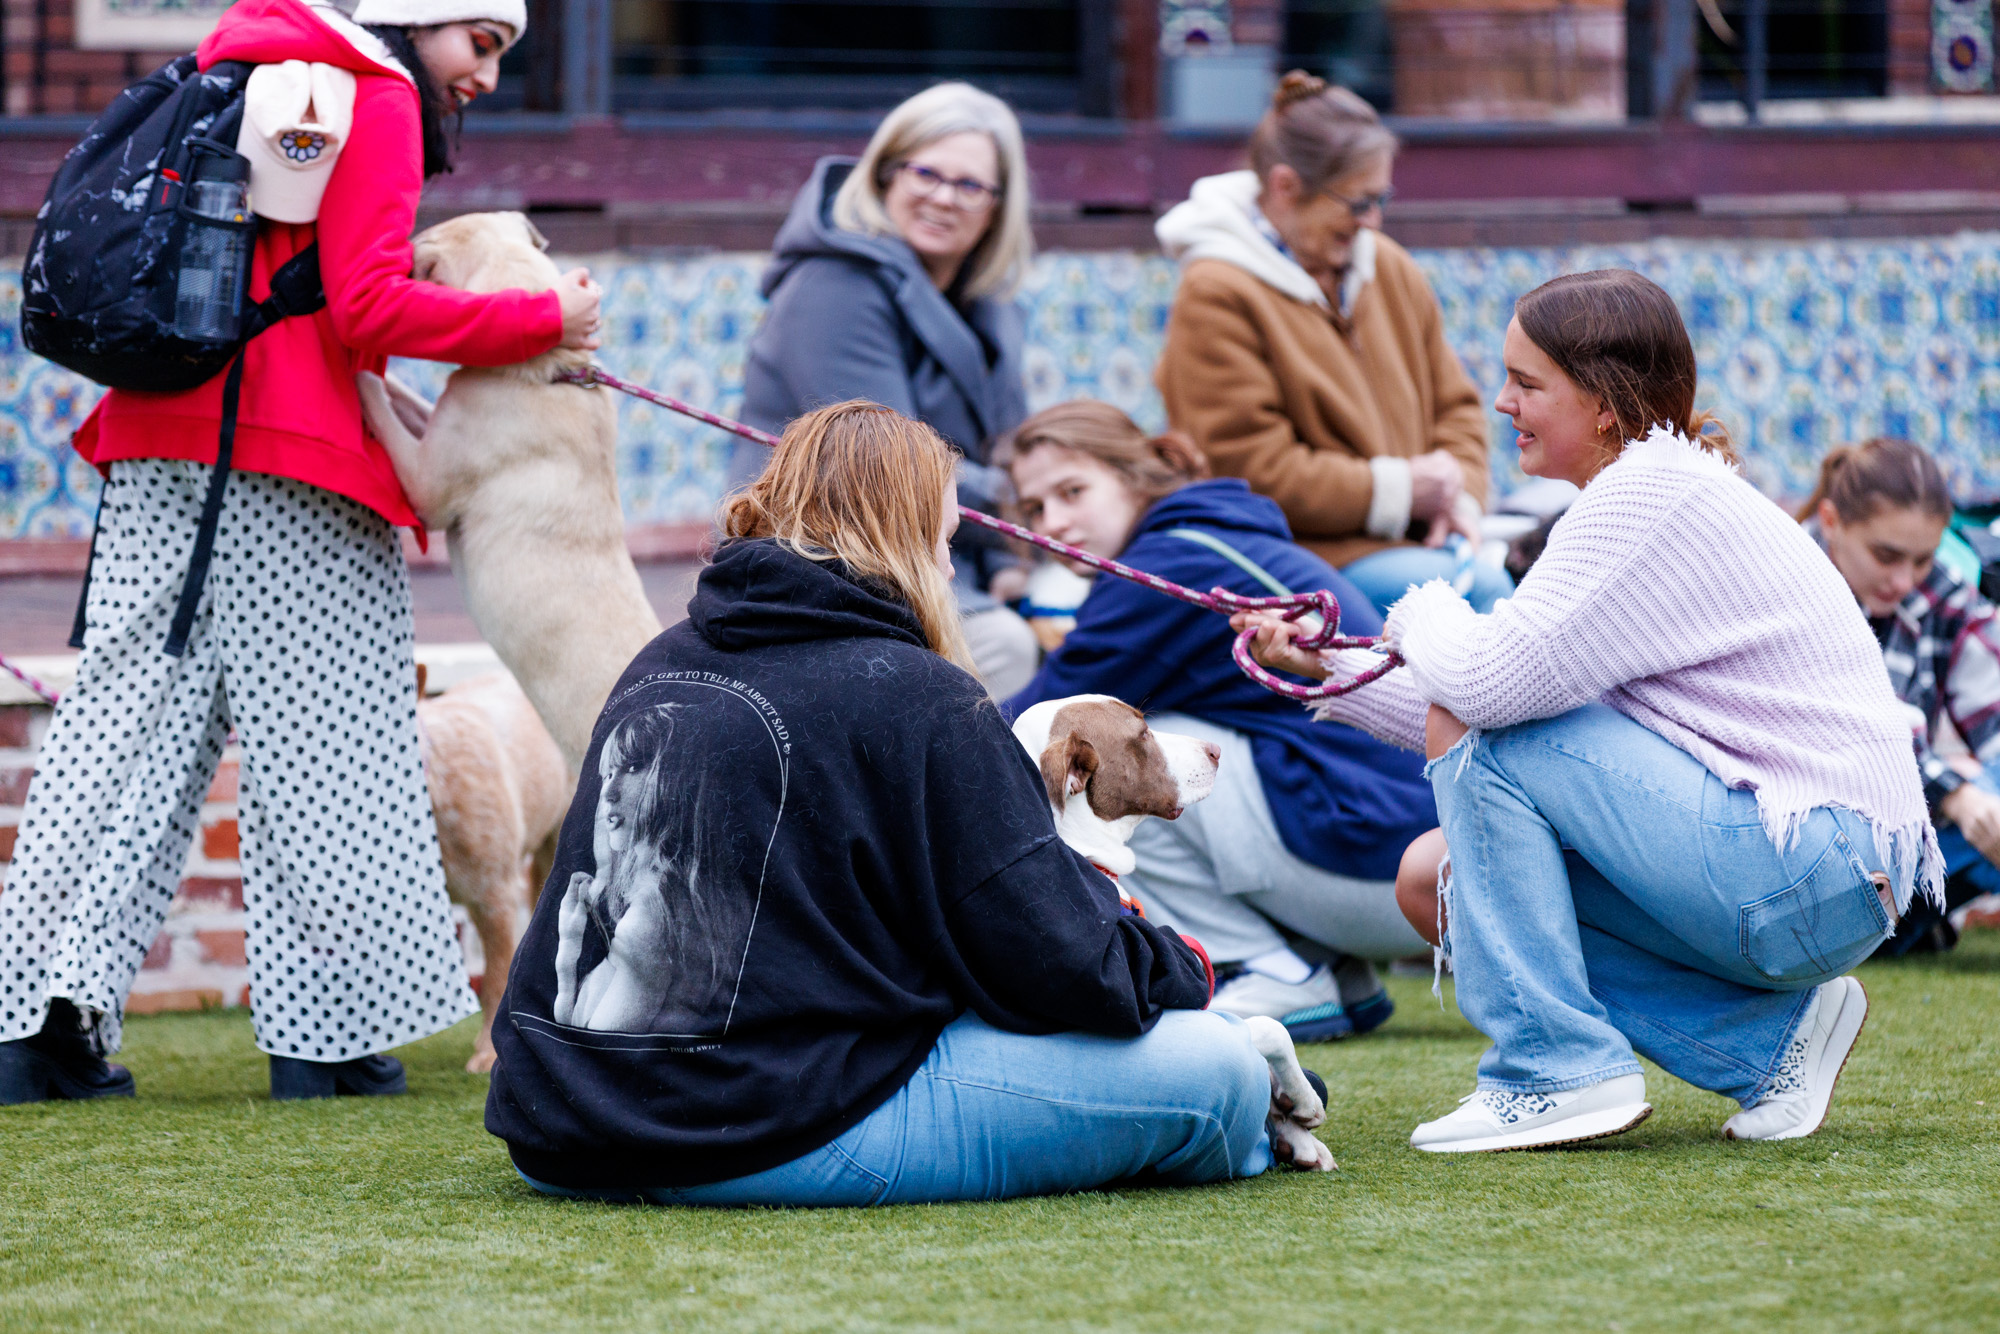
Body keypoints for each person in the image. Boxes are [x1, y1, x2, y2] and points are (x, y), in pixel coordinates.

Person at [0, 0, 603, 1105]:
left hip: (155, 435)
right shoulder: (370, 92)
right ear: (419, 22)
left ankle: (34, 1027)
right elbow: (366, 305)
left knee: (121, 735)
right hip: (288, 459)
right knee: (331, 742)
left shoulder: (232, 65)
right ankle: (327, 1042)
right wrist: (536, 322)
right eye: (481, 40)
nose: (487, 73)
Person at [487, 401, 1288, 1206]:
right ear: (900, 541)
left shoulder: (660, 658)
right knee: (1219, 1069)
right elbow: (1068, 968)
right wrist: (1180, 963)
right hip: (752, 1133)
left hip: (559, 1134)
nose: (947, 571)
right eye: (942, 542)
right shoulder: (924, 697)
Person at [1237, 269, 1933, 1151]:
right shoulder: (1649, 490)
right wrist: (1323, 663)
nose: (1500, 402)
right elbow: (1481, 700)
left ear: (1605, 403)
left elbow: (1484, 696)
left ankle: (1555, 1071)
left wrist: (1420, 614)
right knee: (1434, 883)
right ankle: (1774, 1042)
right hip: (1819, 874)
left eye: (1526, 383)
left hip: (1811, 863)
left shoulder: (1643, 496)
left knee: (1486, 734)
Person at [996, 401, 1434, 1040]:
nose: (1055, 522)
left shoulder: (1164, 566)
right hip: (1405, 853)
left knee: (1127, 764)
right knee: (1159, 743)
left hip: (1394, 870)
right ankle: (1334, 976)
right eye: (1036, 510)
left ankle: (1265, 969)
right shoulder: (1199, 540)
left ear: (1136, 475)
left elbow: (1029, 732)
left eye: (1073, 491)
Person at [1153, 71, 1511, 618]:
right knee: (1483, 596)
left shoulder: (1388, 264)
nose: (1373, 219)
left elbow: (1457, 407)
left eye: (1381, 198)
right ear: (1285, 186)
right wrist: (1401, 491)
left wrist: (1456, 501)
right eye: (1358, 202)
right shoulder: (1215, 291)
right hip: (1303, 560)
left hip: (1423, 544)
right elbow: (1248, 469)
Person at [741, 82, 1040, 697]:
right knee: (1007, 650)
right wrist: (1043, 503)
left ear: (997, 206)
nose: (942, 197)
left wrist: (1016, 559)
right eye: (925, 172)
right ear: (884, 175)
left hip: (948, 560)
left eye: (969, 185)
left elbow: (1017, 447)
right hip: (829, 575)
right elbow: (886, 476)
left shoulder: (992, 304)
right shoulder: (835, 286)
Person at [1800, 437, 2000, 954]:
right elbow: (1859, 734)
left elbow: (1993, 711)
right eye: (1886, 556)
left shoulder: (1943, 591)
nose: (1904, 581)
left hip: (1914, 830)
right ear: (1831, 520)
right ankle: (1901, 923)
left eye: (1922, 559)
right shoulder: (1790, 583)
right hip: (1812, 841)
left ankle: (1906, 921)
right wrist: (1958, 792)